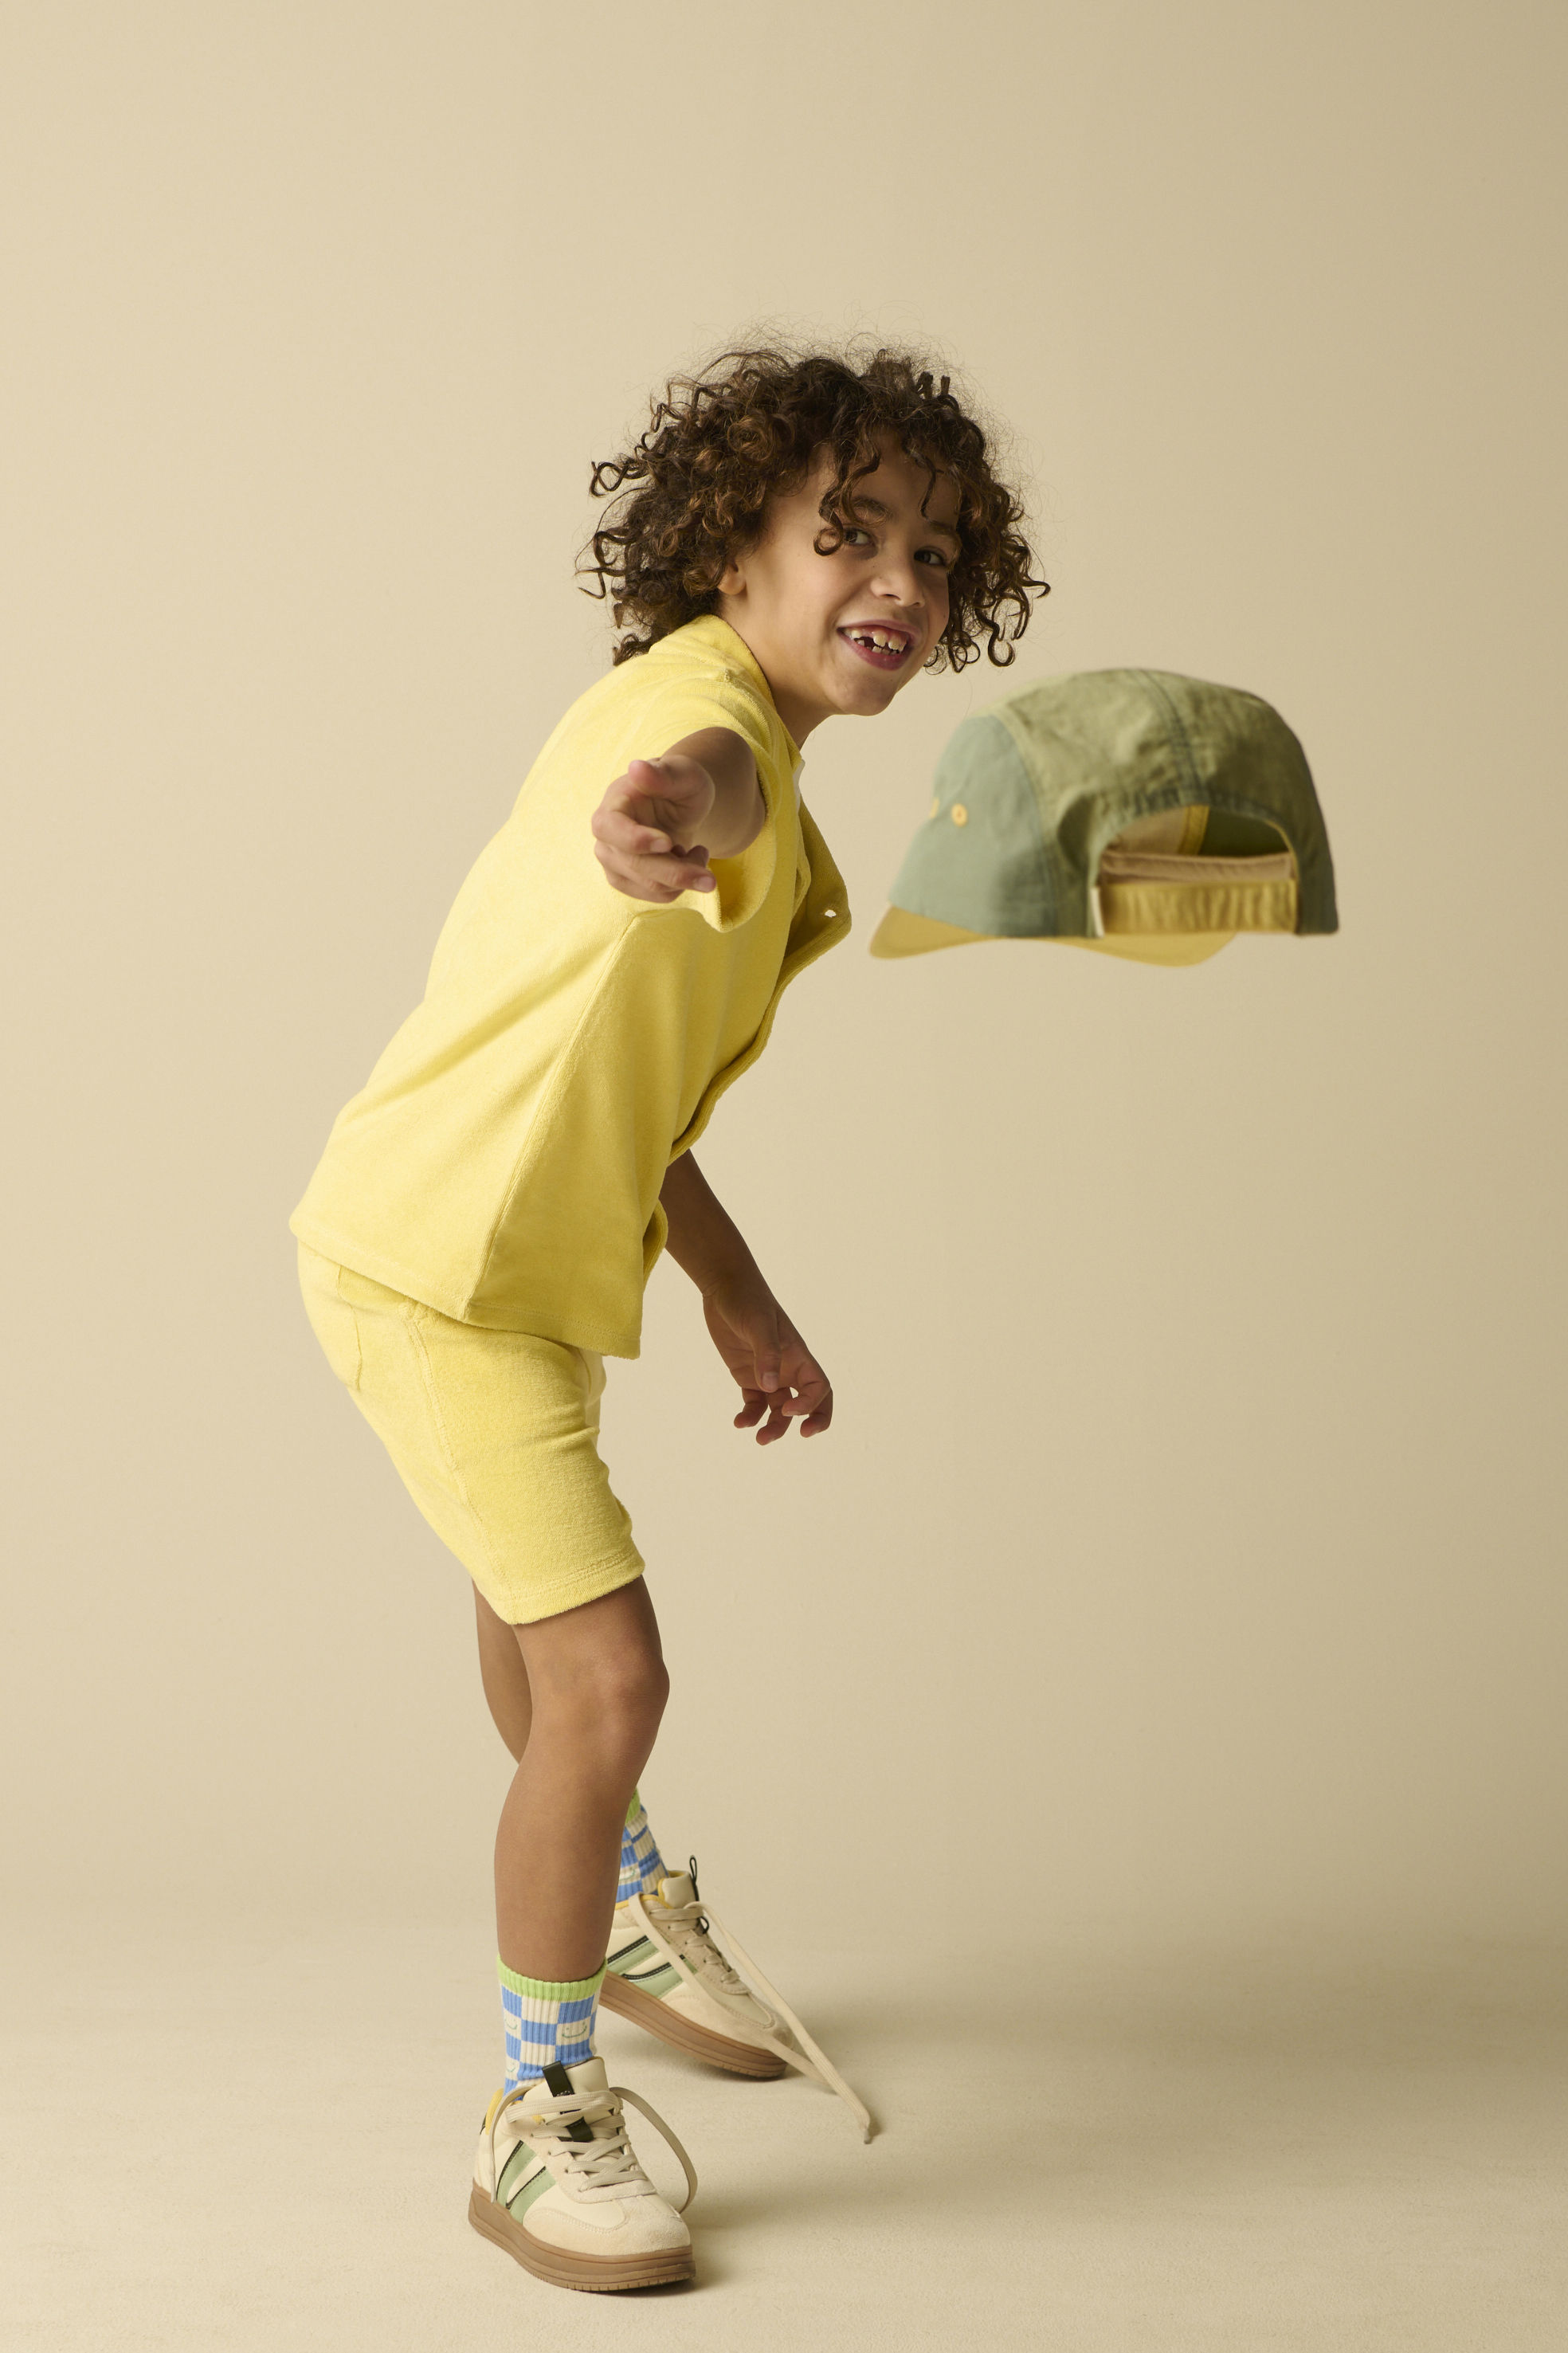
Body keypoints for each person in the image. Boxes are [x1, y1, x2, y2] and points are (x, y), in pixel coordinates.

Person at [290, 343, 1045, 2294]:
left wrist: (735, 1287)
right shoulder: (698, 724)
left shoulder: (752, 773)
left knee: (542, 1631)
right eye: (850, 531)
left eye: (936, 553)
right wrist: (664, 811)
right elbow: (696, 775)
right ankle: (538, 2109)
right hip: (437, 1267)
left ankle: (614, 1905)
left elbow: (633, 1099)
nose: (901, 579)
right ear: (733, 554)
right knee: (609, 1683)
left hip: (525, 1264)